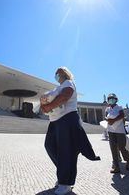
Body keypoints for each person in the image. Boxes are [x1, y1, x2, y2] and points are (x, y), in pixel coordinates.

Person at [41, 67, 100, 195]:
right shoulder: (57, 87)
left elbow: (66, 95)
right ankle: (64, 173)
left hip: (67, 119)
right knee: (49, 146)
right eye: (55, 73)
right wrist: (44, 105)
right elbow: (46, 102)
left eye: (58, 72)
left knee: (65, 151)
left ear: (64, 73)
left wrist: (49, 106)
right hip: (55, 121)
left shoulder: (68, 83)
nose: (56, 74)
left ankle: (65, 183)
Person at [105, 93, 129, 173]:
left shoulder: (119, 107)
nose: (111, 100)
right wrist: (108, 120)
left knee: (122, 148)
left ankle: (128, 160)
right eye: (109, 98)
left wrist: (113, 120)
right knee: (113, 149)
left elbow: (122, 115)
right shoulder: (107, 109)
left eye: (112, 98)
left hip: (120, 131)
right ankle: (116, 167)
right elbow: (106, 116)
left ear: (116, 99)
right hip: (111, 131)